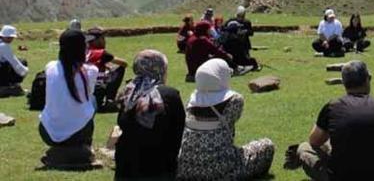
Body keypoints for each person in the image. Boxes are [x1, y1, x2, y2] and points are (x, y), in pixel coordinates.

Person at [297, 61, 374, 181]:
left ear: (343, 83)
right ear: (368, 79)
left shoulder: (332, 107)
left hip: (340, 176)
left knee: (304, 148)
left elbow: (314, 141)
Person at [177, 58, 275, 180]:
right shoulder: (235, 100)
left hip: (187, 170)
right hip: (221, 171)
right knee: (267, 146)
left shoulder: (191, 101)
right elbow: (230, 126)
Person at [114, 50, 185, 180]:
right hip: (157, 169)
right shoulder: (169, 94)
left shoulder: (127, 92)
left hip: (125, 169)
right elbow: (179, 132)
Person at [39, 30, 99, 169]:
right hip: (78, 134)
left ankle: (59, 152)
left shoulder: (50, 66)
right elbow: (88, 95)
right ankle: (85, 146)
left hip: (47, 132)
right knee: (93, 101)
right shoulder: (91, 70)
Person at [85, 27, 128, 111]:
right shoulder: (101, 53)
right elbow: (124, 63)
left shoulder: (82, 51)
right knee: (120, 69)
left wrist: (105, 65)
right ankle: (110, 100)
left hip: (82, 90)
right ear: (96, 40)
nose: (104, 41)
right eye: (102, 38)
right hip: (96, 90)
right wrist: (110, 67)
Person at [0, 24, 28, 96]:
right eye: (9, 37)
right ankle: (11, 86)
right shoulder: (4, 46)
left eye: (12, 38)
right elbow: (14, 62)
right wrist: (24, 71)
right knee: (22, 62)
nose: (11, 39)